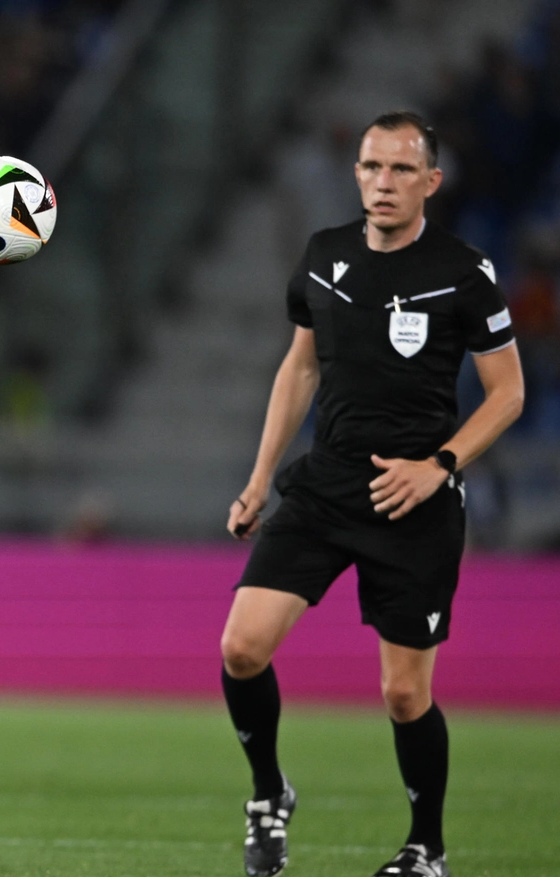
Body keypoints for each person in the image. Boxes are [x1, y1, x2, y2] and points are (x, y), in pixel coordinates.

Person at [221, 111, 525, 877]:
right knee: (240, 647)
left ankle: (427, 846)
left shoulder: (465, 270)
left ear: (431, 181)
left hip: (413, 500)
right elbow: (300, 369)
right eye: (370, 167)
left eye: (399, 170)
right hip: (326, 485)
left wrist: (441, 465)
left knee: (401, 692)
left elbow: (509, 392)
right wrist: (259, 480)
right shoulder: (325, 256)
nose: (381, 183)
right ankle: (269, 793)